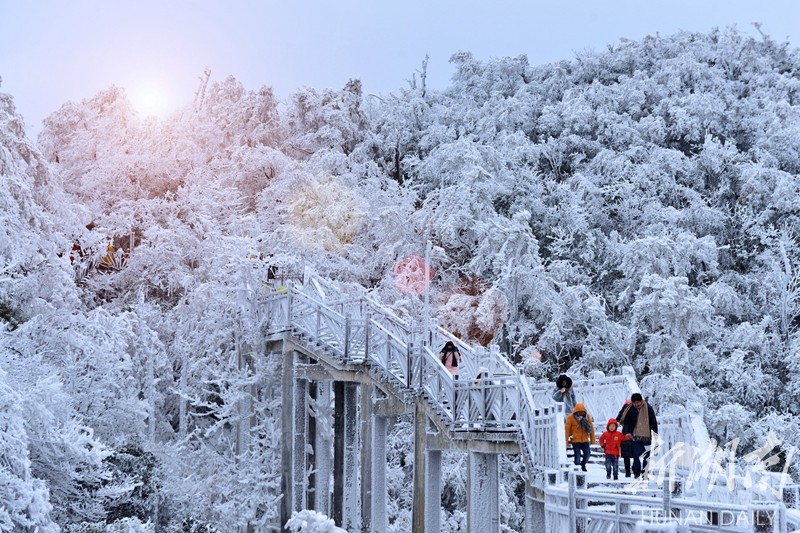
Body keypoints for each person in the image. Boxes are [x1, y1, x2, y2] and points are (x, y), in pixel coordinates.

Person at [617, 392, 658, 479]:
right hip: (635, 435)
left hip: (647, 435)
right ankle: (636, 472)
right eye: (634, 402)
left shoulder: (648, 408)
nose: (636, 404)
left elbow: (653, 421)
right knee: (636, 455)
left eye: (638, 402)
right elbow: (627, 422)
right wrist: (628, 432)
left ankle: (645, 473)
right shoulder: (631, 408)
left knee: (646, 455)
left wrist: (655, 434)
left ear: (641, 401)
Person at [565, 403, 596, 471]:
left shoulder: (587, 417)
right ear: (576, 411)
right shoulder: (570, 417)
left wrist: (592, 440)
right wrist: (566, 441)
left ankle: (583, 464)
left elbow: (591, 428)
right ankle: (577, 469)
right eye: (579, 412)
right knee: (577, 456)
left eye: (582, 412)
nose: (581, 413)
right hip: (575, 440)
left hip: (585, 440)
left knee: (587, 454)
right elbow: (567, 430)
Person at [616, 399, 634, 477]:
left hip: (628, 433)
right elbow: (617, 419)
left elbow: (618, 419)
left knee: (628, 455)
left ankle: (628, 472)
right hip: (631, 433)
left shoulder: (630, 410)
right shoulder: (635, 410)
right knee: (630, 455)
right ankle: (630, 472)